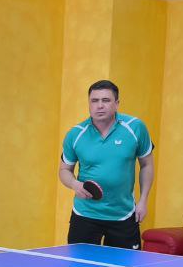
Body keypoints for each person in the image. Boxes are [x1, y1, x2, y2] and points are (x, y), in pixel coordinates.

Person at [59, 79, 156, 250]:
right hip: (85, 214)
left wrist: (143, 201)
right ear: (89, 104)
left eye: (106, 100)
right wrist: (75, 184)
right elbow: (64, 170)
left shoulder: (135, 128)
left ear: (116, 104)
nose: (99, 106)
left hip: (123, 215)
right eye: (94, 101)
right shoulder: (75, 134)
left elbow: (147, 165)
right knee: (79, 266)